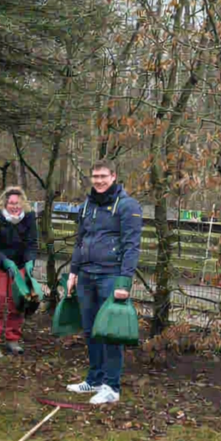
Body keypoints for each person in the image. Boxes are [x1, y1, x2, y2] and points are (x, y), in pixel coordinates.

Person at [66, 160, 142, 405]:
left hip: (111, 277)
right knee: (91, 331)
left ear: (114, 176)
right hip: (86, 275)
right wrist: (73, 272)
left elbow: (132, 246)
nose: (98, 181)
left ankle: (111, 386)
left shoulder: (128, 206)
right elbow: (80, 240)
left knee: (110, 332)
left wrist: (124, 282)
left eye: (103, 176)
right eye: (95, 176)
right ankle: (95, 379)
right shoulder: (87, 205)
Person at [0, 186, 39, 359]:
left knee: (18, 303)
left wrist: (29, 261)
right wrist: (5, 261)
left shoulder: (28, 218)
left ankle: (12, 339)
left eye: (18, 203)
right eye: (11, 203)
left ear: (23, 204)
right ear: (5, 203)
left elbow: (32, 244)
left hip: (19, 265)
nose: (14, 206)